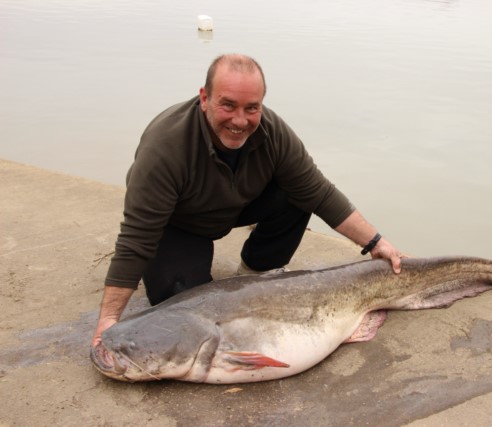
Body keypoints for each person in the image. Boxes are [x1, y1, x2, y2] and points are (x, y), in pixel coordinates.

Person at [91, 54, 403, 347]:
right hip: (179, 223)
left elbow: (319, 193)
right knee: (180, 310)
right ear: (204, 98)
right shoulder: (165, 147)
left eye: (251, 108)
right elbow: (136, 239)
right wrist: (109, 320)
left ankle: (256, 275)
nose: (240, 120)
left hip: (236, 206)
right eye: (228, 105)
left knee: (296, 193)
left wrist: (375, 242)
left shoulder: (272, 132)